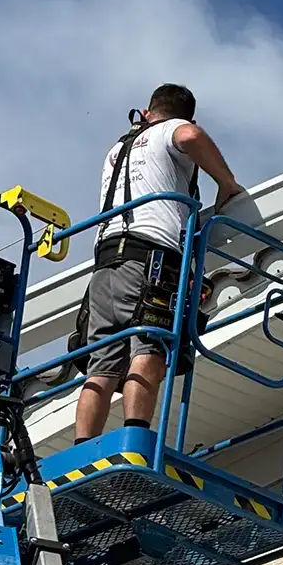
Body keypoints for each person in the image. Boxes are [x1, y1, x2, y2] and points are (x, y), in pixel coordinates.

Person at [73, 84, 245, 444]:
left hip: (105, 262)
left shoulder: (118, 149)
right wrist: (226, 183)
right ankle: (136, 438)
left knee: (101, 363)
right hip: (151, 255)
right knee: (149, 346)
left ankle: (83, 447)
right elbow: (190, 135)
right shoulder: (170, 129)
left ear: (147, 111)